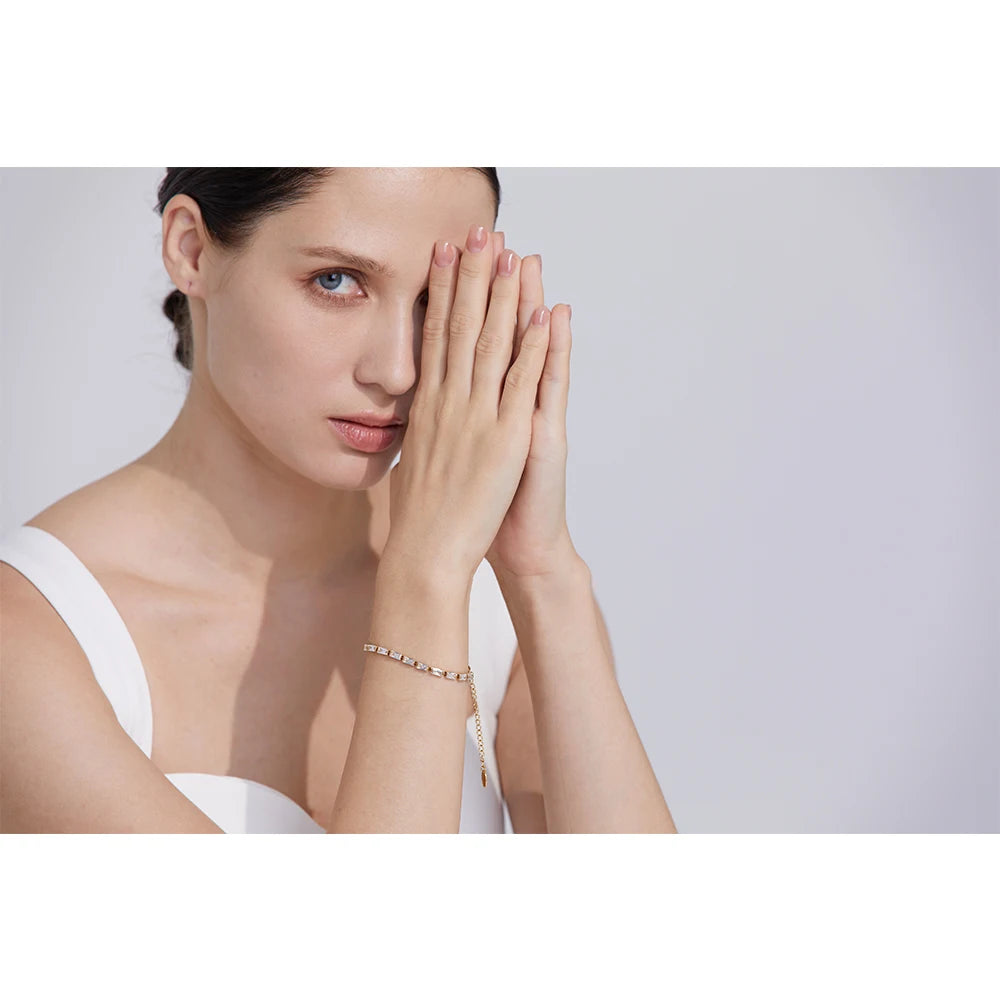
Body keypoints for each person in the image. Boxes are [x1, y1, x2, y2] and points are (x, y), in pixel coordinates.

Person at [0, 168, 677, 833]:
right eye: (336, 281)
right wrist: (422, 582)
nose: (397, 369)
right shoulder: (29, 642)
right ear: (192, 250)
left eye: (433, 300)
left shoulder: (496, 585)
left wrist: (545, 576)